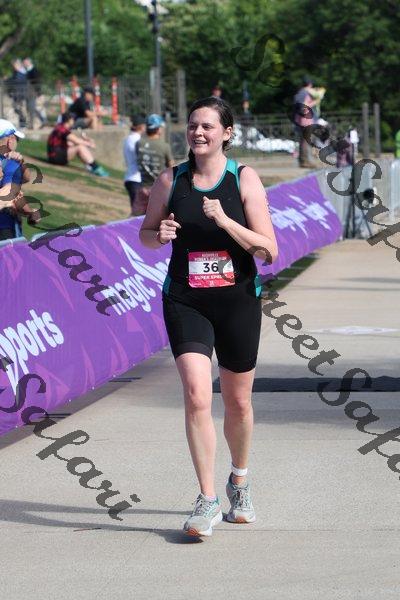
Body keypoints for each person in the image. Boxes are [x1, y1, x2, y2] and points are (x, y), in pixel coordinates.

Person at [139, 97, 278, 537]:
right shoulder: (170, 180)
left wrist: (225, 221)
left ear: (227, 133)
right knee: (198, 396)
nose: (198, 133)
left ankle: (240, 480)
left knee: (238, 402)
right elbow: (146, 234)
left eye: (208, 126)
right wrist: (159, 234)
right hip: (186, 299)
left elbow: (269, 250)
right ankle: (207, 499)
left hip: (237, 300)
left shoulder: (243, 179)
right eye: (193, 125)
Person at [0, 118, 39, 240]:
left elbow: (26, 178)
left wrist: (21, 161)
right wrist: (30, 213)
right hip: (6, 227)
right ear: (10, 140)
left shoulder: (13, 162)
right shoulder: (11, 163)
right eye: (17, 139)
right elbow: (13, 193)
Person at [134, 114, 173, 216]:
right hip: (158, 189)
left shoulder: (139, 143)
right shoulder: (164, 146)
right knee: (158, 218)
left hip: (142, 187)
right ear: (158, 129)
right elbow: (171, 168)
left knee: (136, 217)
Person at [47, 112, 108, 176]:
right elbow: (77, 141)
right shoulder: (63, 129)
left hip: (53, 157)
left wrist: (85, 140)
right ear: (69, 120)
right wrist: (90, 144)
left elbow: (70, 143)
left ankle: (91, 166)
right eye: (73, 119)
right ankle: (95, 168)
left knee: (78, 146)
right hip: (56, 157)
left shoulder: (59, 127)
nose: (74, 121)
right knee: (79, 147)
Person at [293, 76, 318, 168]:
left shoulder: (300, 93)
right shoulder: (304, 93)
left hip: (301, 120)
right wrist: (314, 102)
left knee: (303, 140)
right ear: (310, 84)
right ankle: (305, 161)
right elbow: (303, 107)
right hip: (305, 120)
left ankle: (303, 160)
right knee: (306, 141)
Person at [123, 114, 146, 215]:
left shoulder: (128, 139)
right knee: (138, 214)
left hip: (130, 177)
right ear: (141, 126)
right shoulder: (138, 140)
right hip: (136, 179)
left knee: (137, 212)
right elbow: (141, 159)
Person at [23, 57, 47, 128]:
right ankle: (39, 121)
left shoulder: (34, 70)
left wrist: (38, 92)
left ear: (29, 62)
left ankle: (39, 122)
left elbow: (37, 82)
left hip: (33, 92)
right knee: (30, 108)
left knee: (33, 108)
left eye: (25, 62)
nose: (24, 64)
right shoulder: (27, 70)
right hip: (29, 92)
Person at [6, 59, 28, 129]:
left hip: (20, 95)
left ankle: (23, 124)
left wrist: (8, 80)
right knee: (17, 109)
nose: (13, 67)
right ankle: (22, 123)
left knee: (20, 109)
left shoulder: (21, 74)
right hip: (16, 95)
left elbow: (16, 82)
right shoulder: (15, 73)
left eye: (15, 65)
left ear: (18, 65)